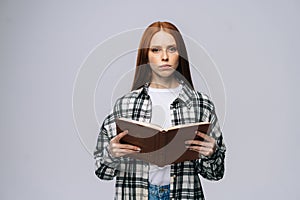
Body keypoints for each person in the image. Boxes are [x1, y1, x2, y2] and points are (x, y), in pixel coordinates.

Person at [94, 21, 226, 200]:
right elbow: (102, 172)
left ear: (180, 54)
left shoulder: (201, 105)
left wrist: (212, 153)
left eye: (172, 49)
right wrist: (112, 154)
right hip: (136, 194)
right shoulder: (125, 106)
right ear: (146, 56)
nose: (165, 56)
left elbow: (215, 174)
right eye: (155, 50)